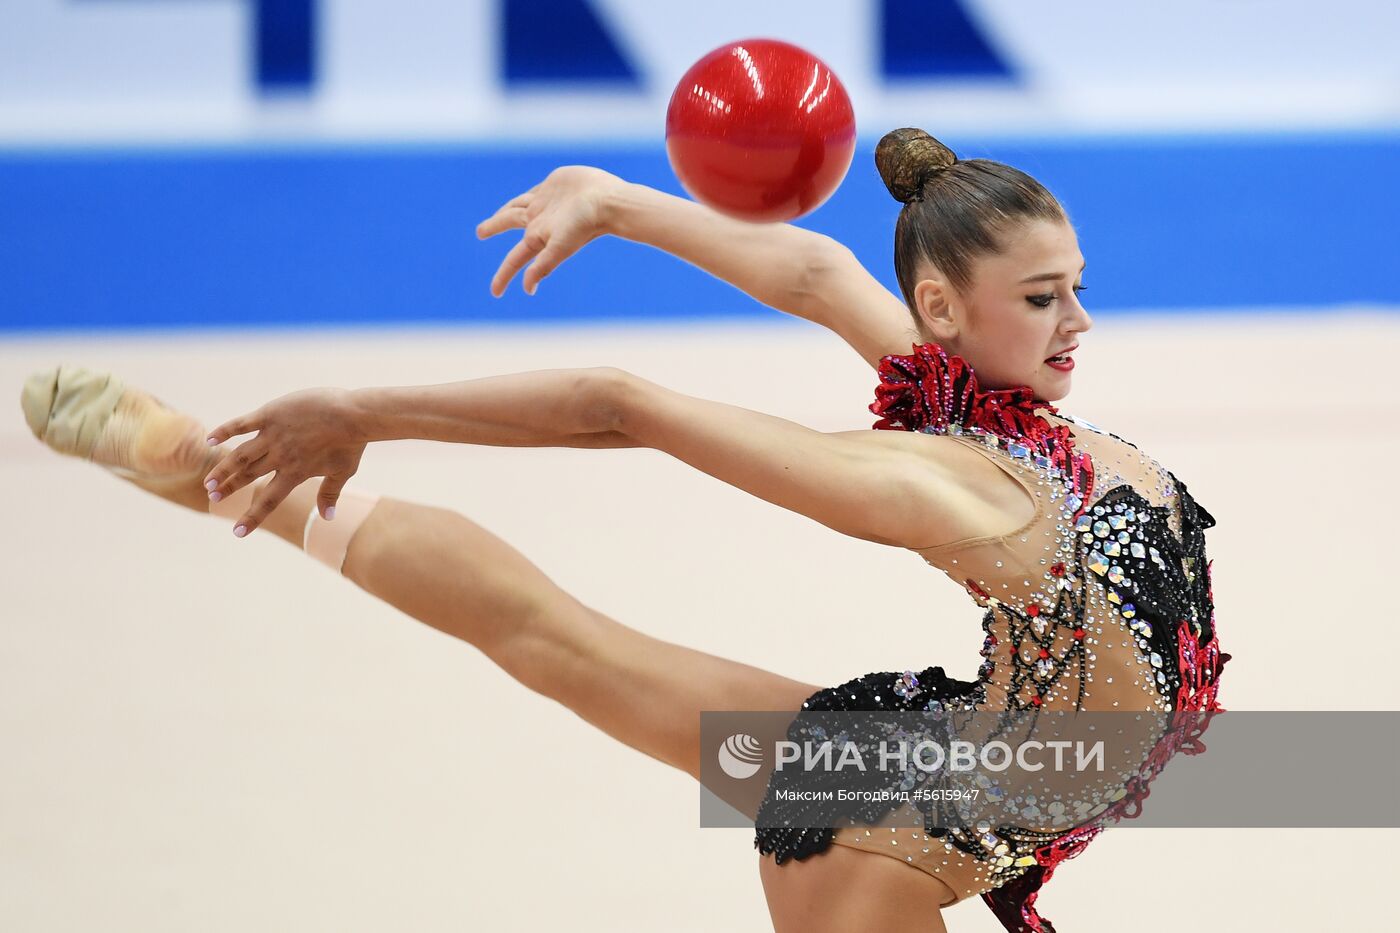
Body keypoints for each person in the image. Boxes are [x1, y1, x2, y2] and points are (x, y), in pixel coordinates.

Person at [20, 128, 1228, 933]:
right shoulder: (948, 485)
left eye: (1074, 283)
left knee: (553, 640)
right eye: (1039, 298)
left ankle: (213, 470)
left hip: (950, 757)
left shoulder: (978, 402)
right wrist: (361, 410)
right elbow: (622, 405)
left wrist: (615, 200)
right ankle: (228, 466)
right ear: (940, 306)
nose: (1077, 319)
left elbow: (813, 273)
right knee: (552, 641)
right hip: (903, 838)